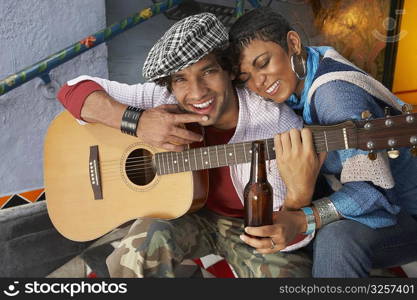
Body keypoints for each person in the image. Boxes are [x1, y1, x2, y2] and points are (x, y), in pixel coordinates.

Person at [56, 13, 322, 278]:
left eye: (208, 71)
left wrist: (298, 199)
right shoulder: (162, 100)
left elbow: (286, 234)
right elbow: (72, 91)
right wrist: (137, 122)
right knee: (136, 250)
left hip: (249, 228)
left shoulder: (277, 126)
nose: (196, 92)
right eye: (181, 79)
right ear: (170, 85)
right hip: (188, 214)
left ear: (229, 70)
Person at [228, 7, 417, 277]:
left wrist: (303, 218)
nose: (259, 83)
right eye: (246, 78)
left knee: (335, 240)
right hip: (369, 199)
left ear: (293, 43)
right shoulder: (306, 68)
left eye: (264, 63)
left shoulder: (334, 96)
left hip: (404, 212)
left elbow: (374, 192)